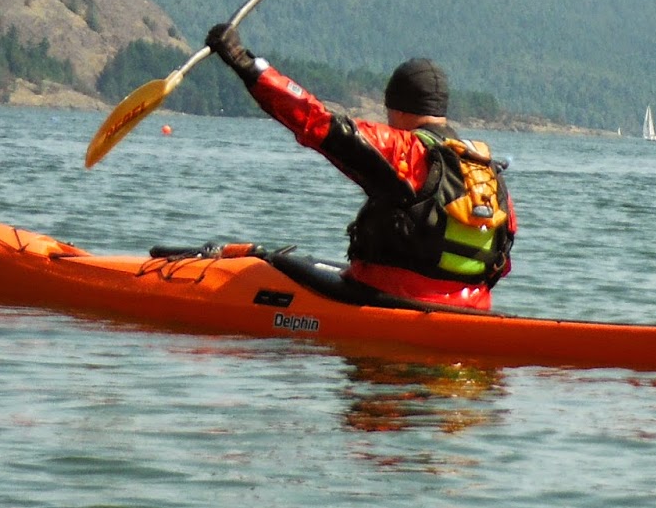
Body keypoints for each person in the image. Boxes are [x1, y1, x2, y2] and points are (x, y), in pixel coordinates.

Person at [205, 24, 515, 310]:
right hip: (472, 307)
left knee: (271, 264)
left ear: (396, 108)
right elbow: (502, 261)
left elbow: (316, 122)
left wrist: (244, 63)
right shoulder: (487, 171)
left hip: (388, 298)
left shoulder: (403, 149)